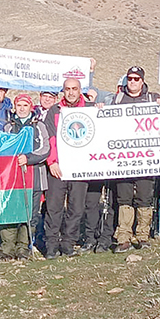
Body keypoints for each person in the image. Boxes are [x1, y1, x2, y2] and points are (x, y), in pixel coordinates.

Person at [43, 78, 96, 258]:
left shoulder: (91, 109)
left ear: (80, 90)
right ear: (63, 91)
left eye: (74, 89)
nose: (71, 92)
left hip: (80, 168)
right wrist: (52, 162)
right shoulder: (54, 111)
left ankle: (68, 243)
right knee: (54, 207)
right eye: (67, 89)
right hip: (58, 168)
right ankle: (51, 245)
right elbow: (50, 138)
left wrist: (102, 111)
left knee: (76, 208)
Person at [110, 67, 158, 252]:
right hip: (123, 158)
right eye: (130, 78)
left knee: (145, 197)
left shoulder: (152, 98)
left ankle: (143, 235)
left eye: (136, 79)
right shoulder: (117, 100)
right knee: (124, 198)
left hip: (146, 158)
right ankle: (124, 237)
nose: (133, 82)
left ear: (142, 81)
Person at [2, 93, 49, 259]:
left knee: (30, 214)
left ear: (31, 107)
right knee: (11, 212)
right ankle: (7, 247)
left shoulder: (39, 126)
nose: (22, 109)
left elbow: (45, 150)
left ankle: (23, 246)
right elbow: (3, 150)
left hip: (35, 176)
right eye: (19, 105)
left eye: (25, 105)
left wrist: (28, 158)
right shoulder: (8, 127)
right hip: (13, 178)